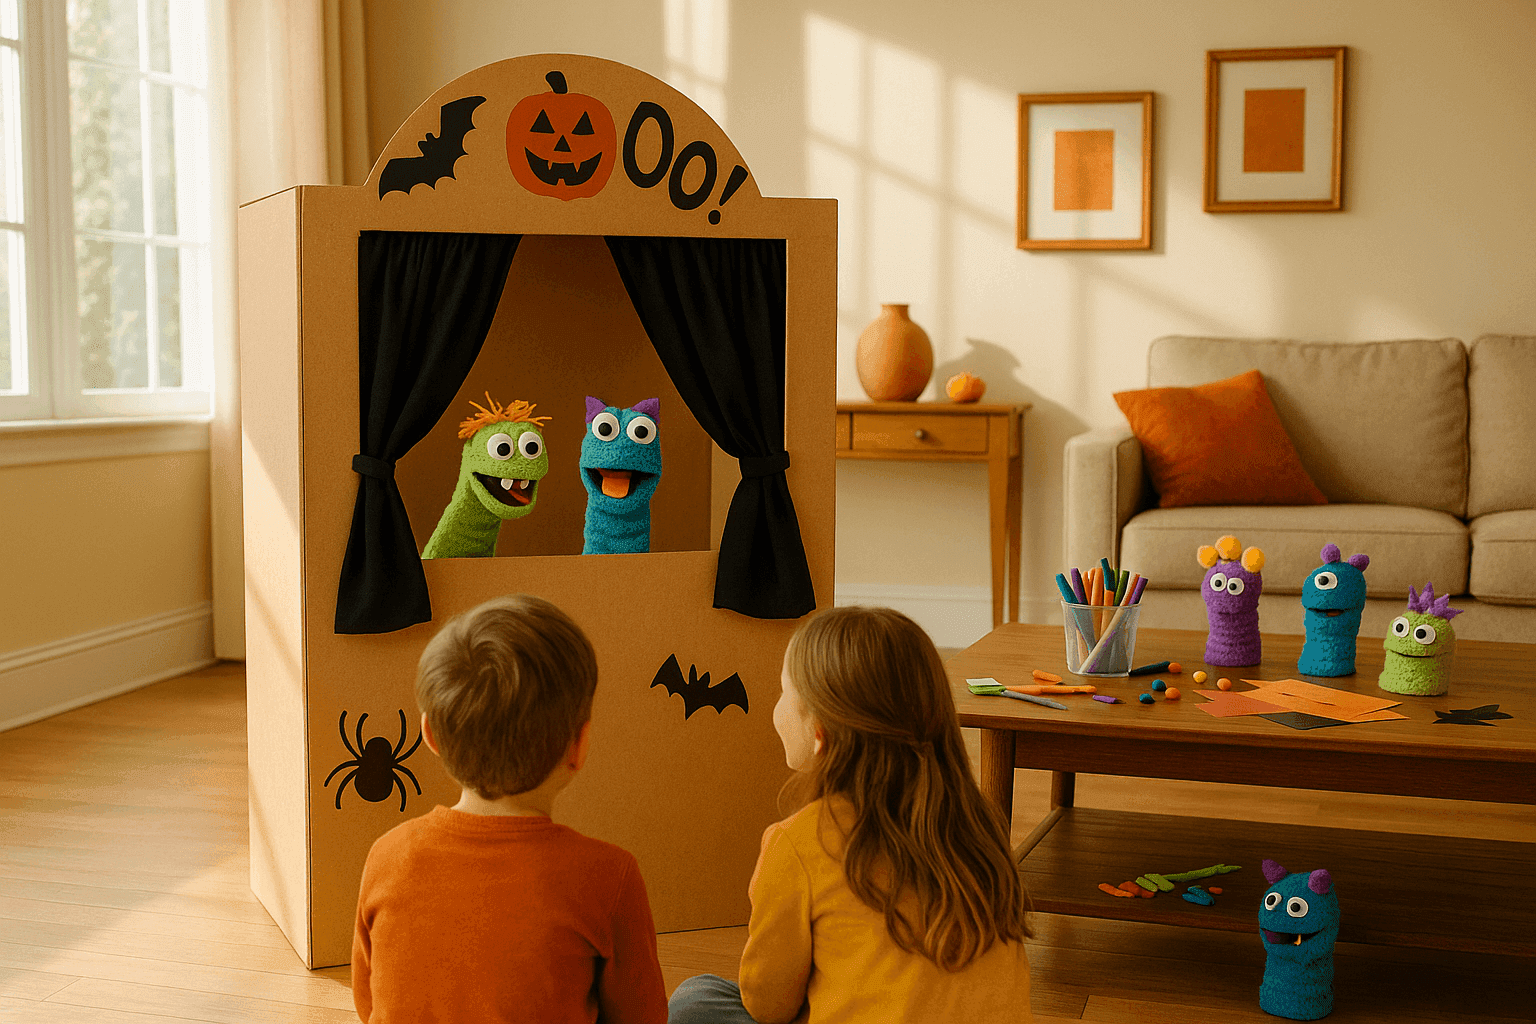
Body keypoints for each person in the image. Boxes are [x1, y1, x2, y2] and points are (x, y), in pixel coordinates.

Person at [669, 605, 1034, 1023]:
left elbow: (766, 1005)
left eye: (784, 691)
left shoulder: (799, 842)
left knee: (695, 1000)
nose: (777, 706)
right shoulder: (978, 822)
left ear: (821, 731)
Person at [351, 594, 667, 1024]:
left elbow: (369, 1005)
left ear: (430, 735)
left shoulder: (386, 856)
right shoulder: (611, 878)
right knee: (700, 998)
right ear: (580, 745)